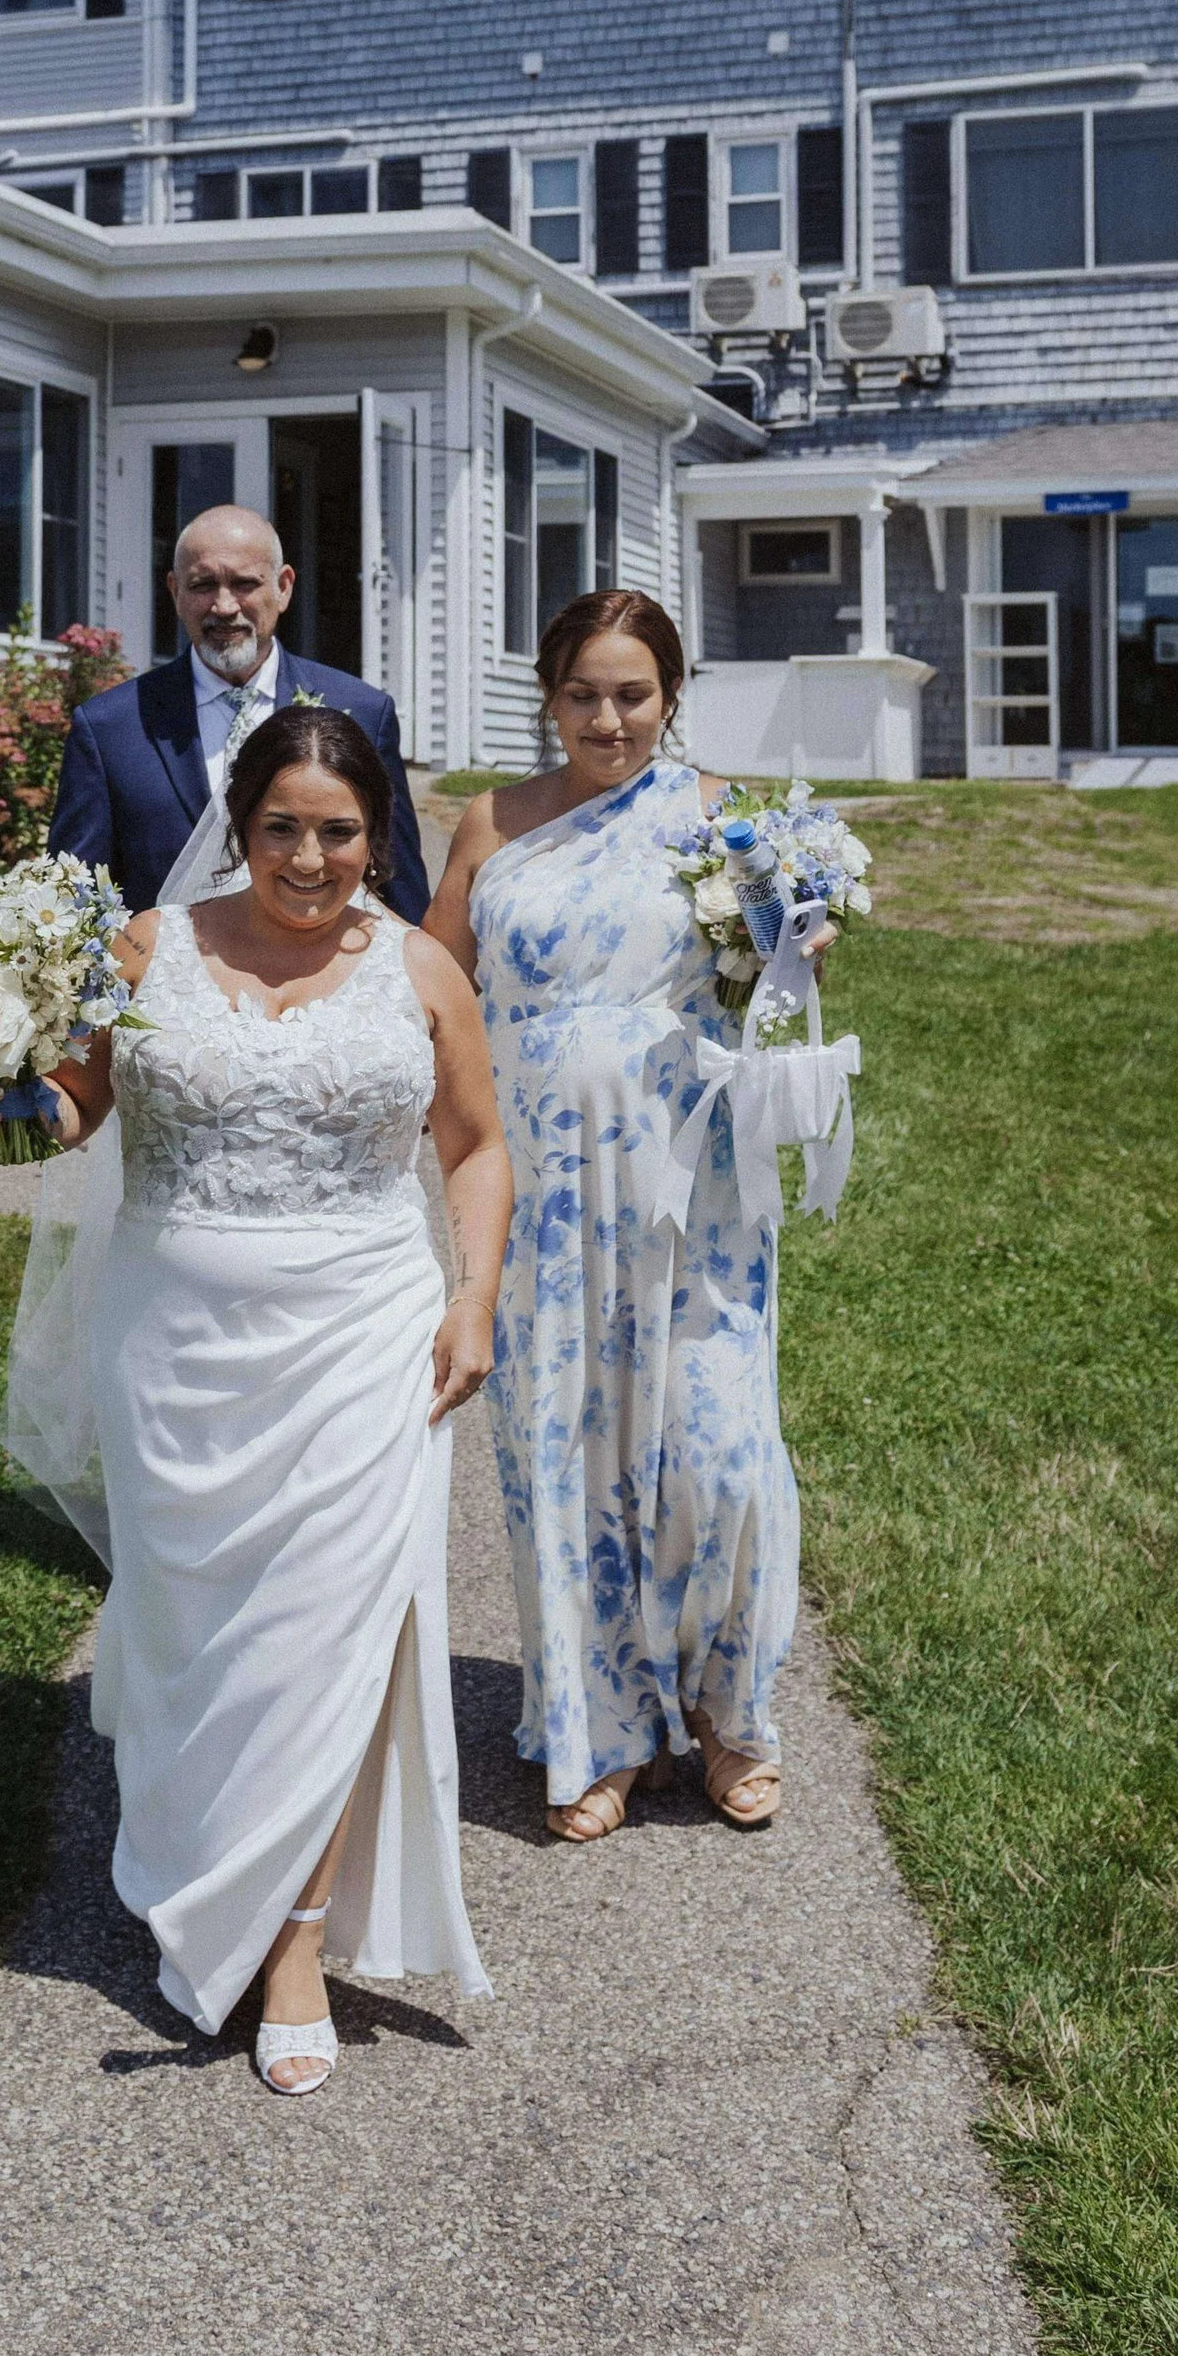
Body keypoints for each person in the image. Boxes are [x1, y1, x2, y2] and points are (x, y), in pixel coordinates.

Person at [0, 702, 508, 2096]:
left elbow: (474, 1150)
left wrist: (473, 1295)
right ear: (241, 821)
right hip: (174, 1344)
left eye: (338, 830)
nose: (308, 854)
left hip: (360, 1335)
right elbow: (76, 1099)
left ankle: (289, 1942)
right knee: (189, 1628)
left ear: (376, 835)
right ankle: (197, 1860)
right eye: (282, 824)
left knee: (331, 1633)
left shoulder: (419, 972)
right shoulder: (149, 954)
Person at [424, 589, 804, 1846]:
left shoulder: (723, 825)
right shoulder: (490, 822)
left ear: (670, 695)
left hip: (690, 1191)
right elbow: (434, 989)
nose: (608, 717)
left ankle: (728, 1714)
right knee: (563, 1457)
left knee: (720, 1456)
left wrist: (802, 924)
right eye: (583, 692)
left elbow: (779, 985)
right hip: (540, 1195)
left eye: (632, 693)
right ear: (547, 696)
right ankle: (600, 1731)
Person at [49, 503, 430, 918]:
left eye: (244, 583)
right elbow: (73, 894)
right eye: (202, 585)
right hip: (168, 974)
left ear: (283, 588)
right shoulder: (110, 728)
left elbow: (398, 883)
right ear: (175, 592)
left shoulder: (363, 713)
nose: (224, 605)